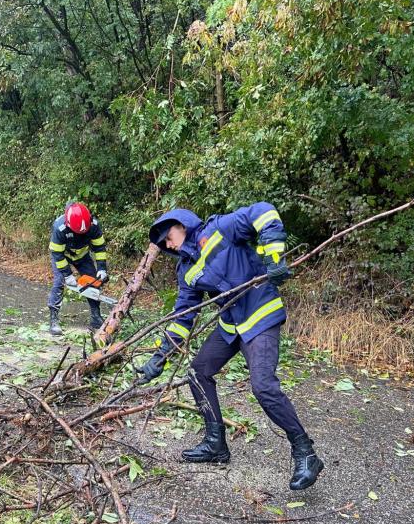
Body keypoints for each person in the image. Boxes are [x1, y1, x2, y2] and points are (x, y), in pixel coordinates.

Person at [138, 203, 324, 491]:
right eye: (163, 243)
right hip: (231, 326)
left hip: (260, 315)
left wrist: (274, 256)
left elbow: (263, 212)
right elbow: (183, 315)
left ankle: (305, 453)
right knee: (198, 372)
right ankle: (216, 444)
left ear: (181, 225)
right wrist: (160, 356)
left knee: (263, 387)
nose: (167, 244)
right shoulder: (186, 269)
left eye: (168, 237)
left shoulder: (219, 230)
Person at [47, 202, 109, 335]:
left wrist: (102, 268)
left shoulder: (94, 226)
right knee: (59, 282)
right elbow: (57, 254)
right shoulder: (60, 228)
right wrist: (68, 275)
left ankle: (95, 317)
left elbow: (99, 248)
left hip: (82, 255)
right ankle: (54, 319)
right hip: (63, 256)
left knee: (93, 282)